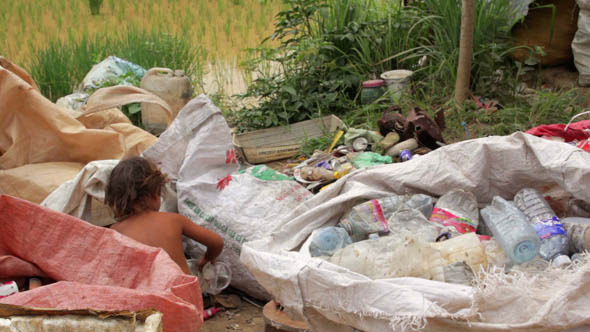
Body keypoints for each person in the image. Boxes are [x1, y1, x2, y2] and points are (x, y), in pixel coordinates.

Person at [105, 156, 224, 275]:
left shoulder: (115, 231)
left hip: (142, 292)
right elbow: (216, 242)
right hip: (182, 292)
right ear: (155, 193)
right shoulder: (173, 219)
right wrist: (207, 260)